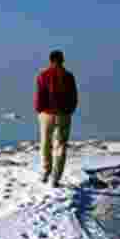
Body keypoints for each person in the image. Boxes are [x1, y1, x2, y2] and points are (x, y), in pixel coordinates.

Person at [34, 50, 78, 187]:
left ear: (50, 60)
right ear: (62, 60)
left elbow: (39, 95)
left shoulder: (43, 75)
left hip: (46, 114)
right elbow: (74, 97)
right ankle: (56, 178)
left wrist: (39, 109)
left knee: (45, 143)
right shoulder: (68, 76)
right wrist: (70, 110)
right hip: (63, 114)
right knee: (61, 145)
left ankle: (46, 172)